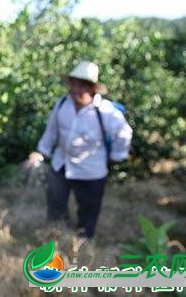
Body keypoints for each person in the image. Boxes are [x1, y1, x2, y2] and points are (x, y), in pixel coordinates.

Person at [29, 60, 133, 239]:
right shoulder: (62, 104)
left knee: (88, 211)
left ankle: (83, 245)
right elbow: (52, 130)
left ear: (93, 88)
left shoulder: (105, 111)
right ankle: (57, 237)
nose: (76, 89)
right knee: (55, 203)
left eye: (82, 86)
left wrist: (117, 155)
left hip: (90, 171)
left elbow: (124, 133)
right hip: (61, 163)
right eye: (74, 84)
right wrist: (42, 151)